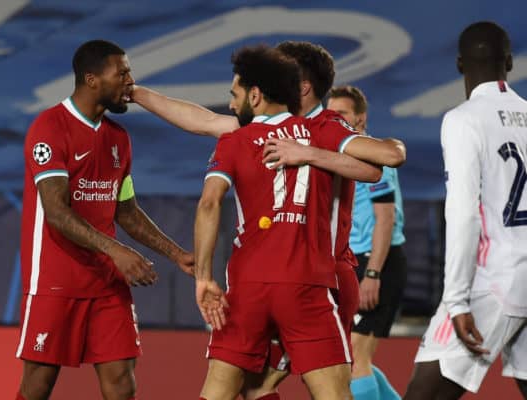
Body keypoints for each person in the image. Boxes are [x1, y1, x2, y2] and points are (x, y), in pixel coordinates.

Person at [131, 40, 406, 400]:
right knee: (262, 384)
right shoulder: (274, 130)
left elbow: (380, 164)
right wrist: (136, 93)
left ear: (299, 85)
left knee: (305, 381)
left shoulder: (325, 126)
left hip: (326, 272)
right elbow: (201, 120)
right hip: (296, 274)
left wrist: (307, 154)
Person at [194, 44, 386, 400]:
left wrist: (204, 278)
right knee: (332, 392)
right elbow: (374, 168)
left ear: (256, 94)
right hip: (306, 281)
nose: (232, 105)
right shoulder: (319, 130)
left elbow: (208, 204)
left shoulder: (234, 141)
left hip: (248, 283)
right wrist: (318, 156)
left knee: (222, 388)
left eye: (235, 95)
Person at [16, 39, 194, 400]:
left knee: (122, 383)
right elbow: (56, 213)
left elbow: (125, 210)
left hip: (106, 282)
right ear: (92, 79)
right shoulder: (50, 128)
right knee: (38, 385)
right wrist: (118, 252)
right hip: (55, 280)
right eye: (123, 73)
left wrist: (176, 254)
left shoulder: (119, 138)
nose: (131, 82)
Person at [404, 21, 527, 399]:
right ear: (509, 61)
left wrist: (456, 299)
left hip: (494, 279)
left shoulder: (463, 119)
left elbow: (463, 213)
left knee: (424, 394)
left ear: (459, 64)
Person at [325, 85, 406, 400]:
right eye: (331, 113)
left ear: (360, 118)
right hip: (352, 264)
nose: (335, 118)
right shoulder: (342, 154)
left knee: (357, 360)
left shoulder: (374, 154)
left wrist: (373, 275)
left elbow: (385, 218)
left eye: (342, 113)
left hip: (378, 264)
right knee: (351, 361)